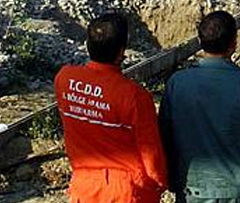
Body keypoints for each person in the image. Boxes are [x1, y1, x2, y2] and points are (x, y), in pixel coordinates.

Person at [160, 11, 240, 203]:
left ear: (200, 41)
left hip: (192, 191)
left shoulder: (177, 84)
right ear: (234, 43)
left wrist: (174, 182)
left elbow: (165, 138)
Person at [55, 13, 168, 203]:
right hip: (127, 191)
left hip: (84, 186)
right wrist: (160, 181)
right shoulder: (134, 95)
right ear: (121, 52)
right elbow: (150, 152)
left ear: (87, 45)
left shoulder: (64, 79)